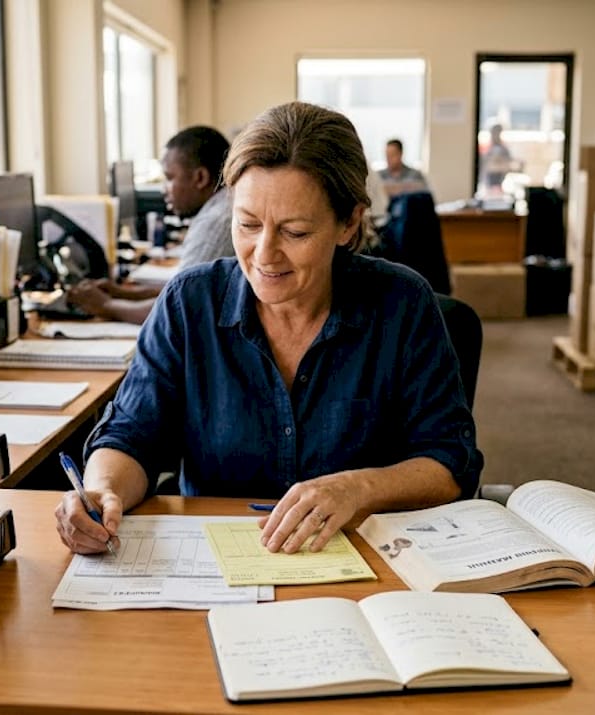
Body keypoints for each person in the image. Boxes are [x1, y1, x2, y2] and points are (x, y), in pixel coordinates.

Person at [55, 101, 482, 556]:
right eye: (248, 224)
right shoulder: (189, 303)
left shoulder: (403, 305)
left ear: (349, 223)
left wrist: (359, 488)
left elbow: (450, 463)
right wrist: (103, 489)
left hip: (359, 566)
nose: (263, 255)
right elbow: (131, 436)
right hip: (216, 567)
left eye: (295, 232)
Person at [68, 126, 234, 324]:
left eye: (170, 178)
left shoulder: (215, 221)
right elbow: (182, 288)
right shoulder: (223, 206)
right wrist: (122, 293)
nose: (164, 189)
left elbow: (180, 309)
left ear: (200, 178)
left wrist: (105, 306)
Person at [481, 124, 514, 194]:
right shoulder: (487, 147)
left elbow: (508, 161)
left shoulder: (503, 148)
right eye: (494, 133)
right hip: (490, 175)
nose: (496, 135)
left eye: (498, 133)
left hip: (500, 174)